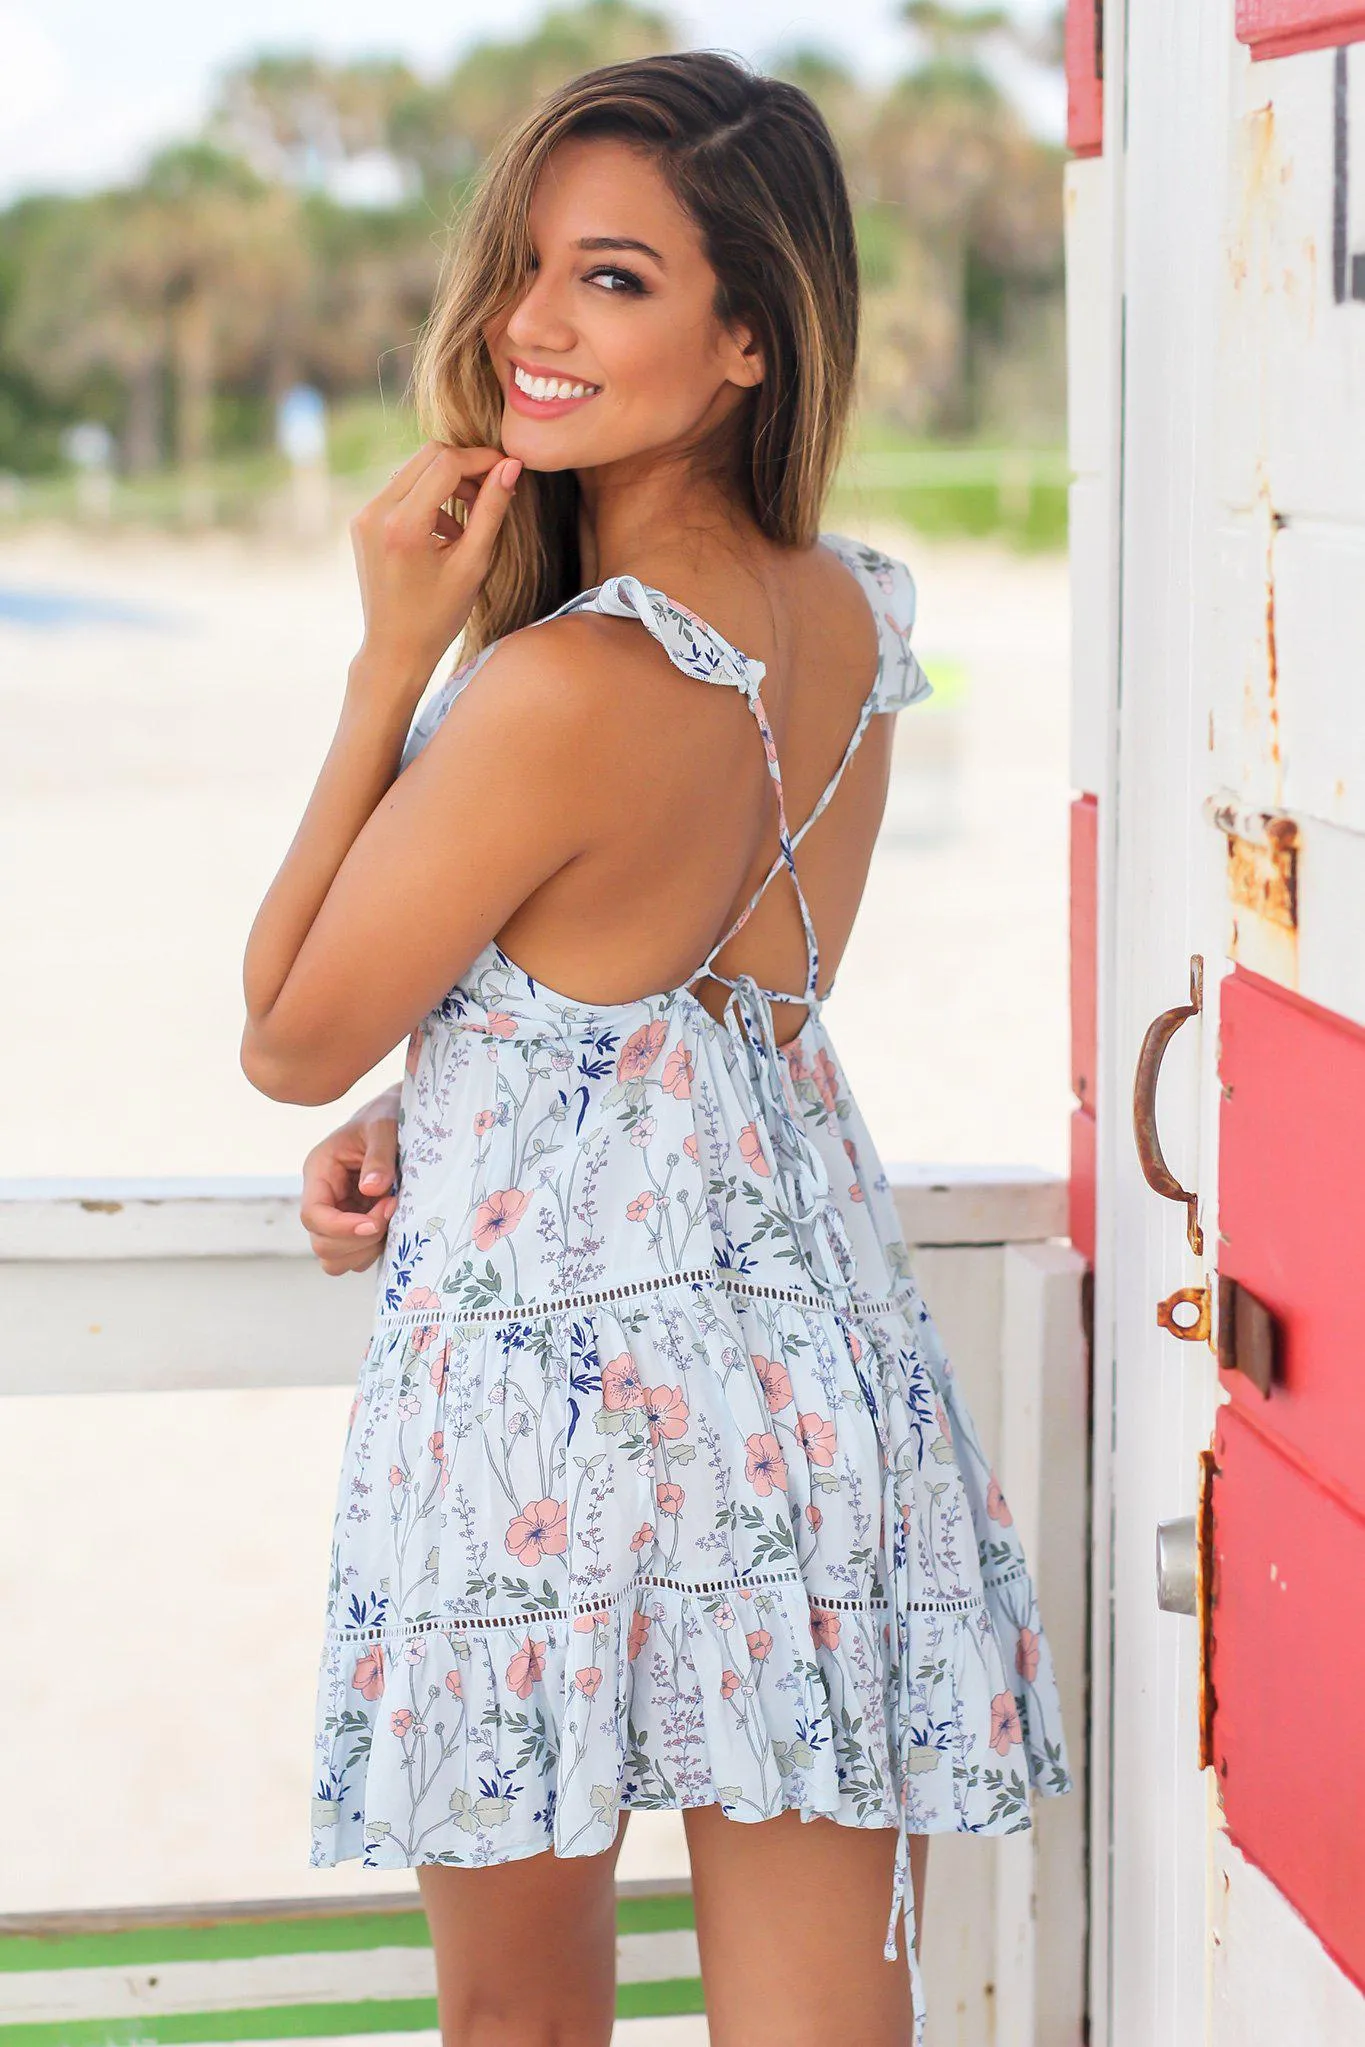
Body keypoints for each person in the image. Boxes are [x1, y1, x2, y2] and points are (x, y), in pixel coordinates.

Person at [242, 49, 1071, 2047]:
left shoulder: (558, 684)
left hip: (547, 1426)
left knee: (520, 2031)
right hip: (819, 1393)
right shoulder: (849, 619)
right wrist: (442, 1089)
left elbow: (281, 1029)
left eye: (611, 277)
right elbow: (697, 985)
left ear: (748, 340)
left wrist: (387, 664)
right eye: (526, 264)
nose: (529, 321)